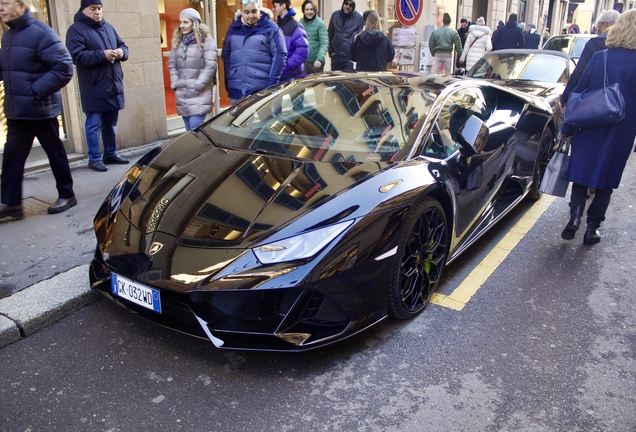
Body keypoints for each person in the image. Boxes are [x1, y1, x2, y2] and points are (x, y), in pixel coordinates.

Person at [559, 9, 636, 245]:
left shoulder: (600, 57)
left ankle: (575, 216)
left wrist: (567, 129)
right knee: (607, 179)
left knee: (582, 172)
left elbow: (579, 93)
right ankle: (592, 229)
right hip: (622, 129)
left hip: (591, 122)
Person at [0, 0, 77, 218]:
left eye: (5, 3)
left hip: (39, 108)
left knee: (55, 152)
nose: (1, 7)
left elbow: (63, 67)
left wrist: (35, 91)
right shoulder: (8, 35)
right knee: (12, 157)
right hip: (17, 111)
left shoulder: (41, 33)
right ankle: (11, 203)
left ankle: (67, 194)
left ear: (21, 6)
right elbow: (8, 69)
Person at [66, 0, 130, 173]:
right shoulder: (76, 30)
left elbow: (123, 45)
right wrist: (103, 54)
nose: (97, 12)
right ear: (84, 10)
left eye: (99, 8)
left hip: (113, 84)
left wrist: (122, 52)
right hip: (93, 86)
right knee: (94, 124)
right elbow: (76, 56)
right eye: (93, 8)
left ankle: (111, 153)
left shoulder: (108, 27)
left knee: (111, 123)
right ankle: (94, 158)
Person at [222, 0, 287, 105]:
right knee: (237, 121)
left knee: (268, 121)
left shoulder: (271, 28)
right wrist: (229, 83)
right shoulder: (233, 29)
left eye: (254, 11)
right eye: (246, 12)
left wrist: (271, 86)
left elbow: (280, 55)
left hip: (263, 91)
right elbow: (226, 55)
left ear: (259, 10)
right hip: (237, 90)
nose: (250, 15)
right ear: (241, 11)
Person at [168, 8, 217, 131]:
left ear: (194, 23)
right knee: (188, 131)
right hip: (182, 92)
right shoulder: (178, 42)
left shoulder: (206, 41)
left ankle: (202, 150)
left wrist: (198, 85)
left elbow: (210, 66)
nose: (182, 26)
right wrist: (175, 82)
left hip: (199, 92)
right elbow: (172, 64)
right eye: (180, 22)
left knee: (196, 127)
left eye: (186, 22)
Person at [560, 10, 620, 107]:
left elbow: (581, 71)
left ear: (604, 25)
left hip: (595, 99)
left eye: (598, 27)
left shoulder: (596, 43)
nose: (598, 32)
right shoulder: (627, 43)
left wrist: (566, 97)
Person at [272, 0, 308, 81]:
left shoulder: (296, 26)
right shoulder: (276, 26)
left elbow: (302, 52)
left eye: (275, 6)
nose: (273, 9)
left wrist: (286, 66)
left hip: (291, 77)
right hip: (279, 76)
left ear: (283, 6)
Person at [327, 0, 364, 71]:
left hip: (349, 58)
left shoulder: (359, 18)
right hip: (336, 56)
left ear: (353, 6)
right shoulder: (335, 15)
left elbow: (359, 37)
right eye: (346, 4)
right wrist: (331, 52)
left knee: (348, 81)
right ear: (343, 4)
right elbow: (329, 33)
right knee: (335, 80)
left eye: (351, 5)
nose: (348, 6)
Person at [299, 0, 328, 74]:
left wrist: (319, 59)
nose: (309, 12)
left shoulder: (320, 23)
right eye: (307, 9)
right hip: (303, 63)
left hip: (316, 63)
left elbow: (324, 43)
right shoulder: (300, 23)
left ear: (315, 10)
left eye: (311, 9)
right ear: (303, 11)